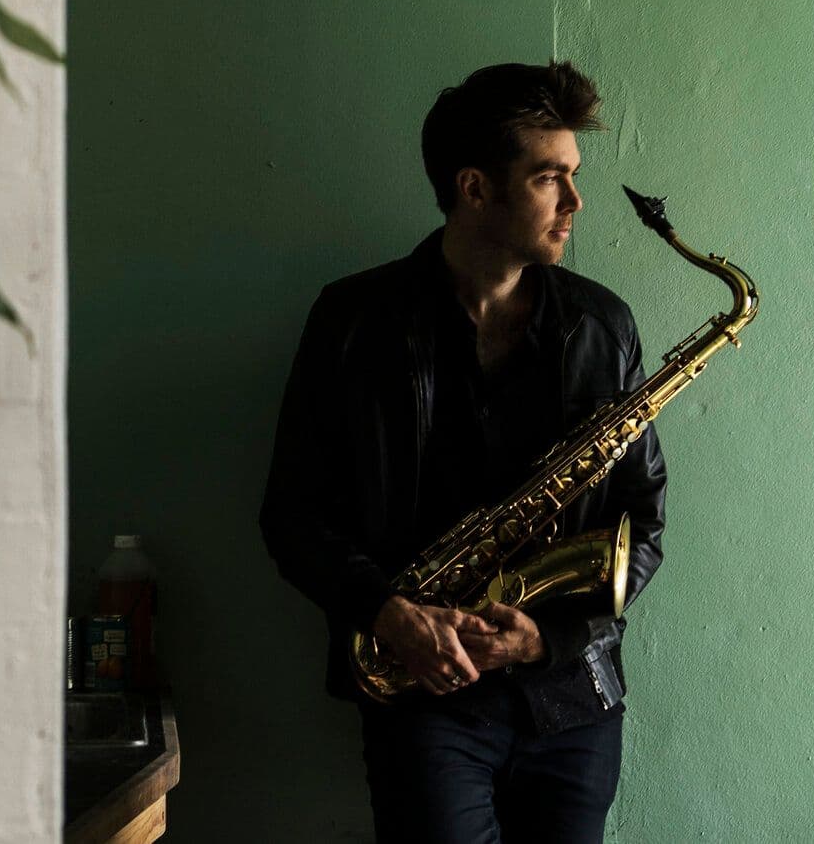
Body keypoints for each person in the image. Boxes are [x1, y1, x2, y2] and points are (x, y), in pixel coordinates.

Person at [259, 61, 666, 844]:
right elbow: (291, 512)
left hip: (571, 701)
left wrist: (550, 636)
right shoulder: (352, 321)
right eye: (550, 178)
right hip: (424, 696)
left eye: (573, 176)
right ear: (475, 187)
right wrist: (387, 610)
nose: (575, 202)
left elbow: (641, 520)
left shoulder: (603, 326)